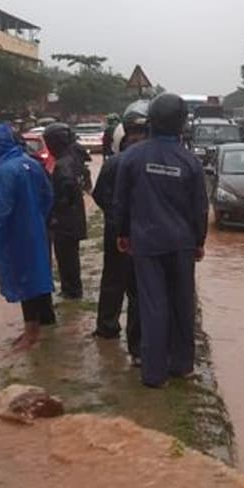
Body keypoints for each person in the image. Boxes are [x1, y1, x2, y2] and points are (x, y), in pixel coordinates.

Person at [112, 93, 209, 388]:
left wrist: (122, 234)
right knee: (182, 303)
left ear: (151, 121)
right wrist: (199, 240)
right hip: (181, 243)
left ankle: (154, 374)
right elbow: (200, 208)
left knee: (153, 305)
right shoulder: (189, 162)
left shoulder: (131, 157)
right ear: (182, 124)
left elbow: (120, 203)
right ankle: (182, 365)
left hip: (145, 243)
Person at [0, 123, 55, 349]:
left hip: (16, 236)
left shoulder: (4, 173)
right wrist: (36, 218)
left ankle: (31, 334)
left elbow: (1, 212)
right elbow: (48, 196)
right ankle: (34, 330)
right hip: (35, 231)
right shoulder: (32, 164)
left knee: (24, 283)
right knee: (36, 278)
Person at [92, 100, 149, 363]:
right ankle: (137, 346)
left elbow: (98, 195)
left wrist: (115, 218)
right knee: (138, 289)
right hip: (141, 233)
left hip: (116, 232)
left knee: (113, 281)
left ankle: (107, 327)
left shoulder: (113, 163)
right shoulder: (148, 162)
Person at [42, 122, 87, 300]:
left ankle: (72, 290)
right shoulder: (74, 158)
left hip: (65, 219)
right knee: (69, 255)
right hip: (73, 216)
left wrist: (57, 209)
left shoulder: (63, 164)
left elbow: (67, 187)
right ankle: (72, 288)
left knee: (66, 256)